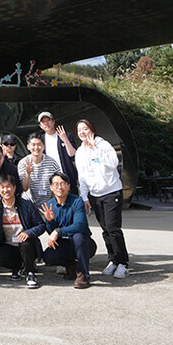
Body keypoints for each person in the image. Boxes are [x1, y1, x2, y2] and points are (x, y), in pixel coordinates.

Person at [75, 118, 129, 279]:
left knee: (113, 228)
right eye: (79, 130)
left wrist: (95, 150)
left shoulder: (103, 145)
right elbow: (82, 176)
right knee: (106, 230)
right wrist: (84, 196)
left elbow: (113, 163)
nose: (83, 132)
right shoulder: (80, 152)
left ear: (92, 129)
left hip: (111, 192)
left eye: (85, 129)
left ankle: (123, 263)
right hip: (95, 195)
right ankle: (113, 260)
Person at [40, 172, 97, 289]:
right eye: (55, 184)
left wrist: (58, 231)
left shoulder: (77, 201)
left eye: (63, 183)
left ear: (68, 186)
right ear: (51, 187)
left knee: (78, 237)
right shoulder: (49, 205)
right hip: (64, 244)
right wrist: (50, 221)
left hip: (84, 244)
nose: (59, 187)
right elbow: (51, 232)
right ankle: (71, 266)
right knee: (48, 256)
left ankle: (83, 274)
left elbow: (79, 226)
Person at [0, 175, 45, 287]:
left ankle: (30, 272)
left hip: (26, 245)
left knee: (25, 244)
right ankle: (17, 267)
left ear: (14, 188)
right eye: (2, 187)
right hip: (8, 244)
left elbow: (41, 225)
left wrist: (28, 233)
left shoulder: (26, 204)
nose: (5, 190)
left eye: (8, 187)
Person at [37, 111, 79, 190]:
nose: (46, 123)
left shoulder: (65, 135)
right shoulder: (40, 140)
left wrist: (65, 140)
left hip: (67, 177)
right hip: (51, 181)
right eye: (43, 122)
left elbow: (73, 154)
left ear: (53, 121)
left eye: (48, 120)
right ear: (40, 125)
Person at [18, 132, 61, 205]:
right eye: (33, 145)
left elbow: (57, 185)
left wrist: (53, 203)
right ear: (28, 147)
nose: (36, 147)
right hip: (29, 204)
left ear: (43, 146)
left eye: (39, 144)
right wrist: (28, 173)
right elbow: (24, 188)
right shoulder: (23, 163)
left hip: (48, 203)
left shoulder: (52, 163)